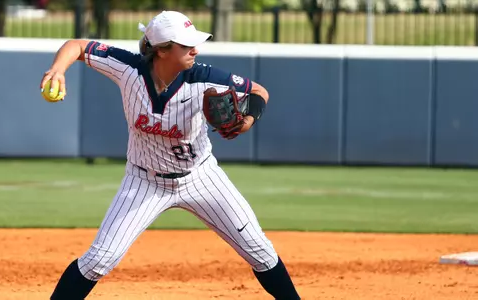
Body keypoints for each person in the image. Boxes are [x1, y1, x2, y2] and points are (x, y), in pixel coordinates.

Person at [40, 10, 301, 300]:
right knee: (99, 259)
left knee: (260, 251)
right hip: (143, 182)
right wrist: (57, 70)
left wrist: (248, 119)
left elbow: (259, 92)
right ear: (163, 50)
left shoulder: (203, 77)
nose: (195, 50)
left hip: (201, 178)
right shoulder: (128, 69)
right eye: (186, 45)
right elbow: (77, 46)